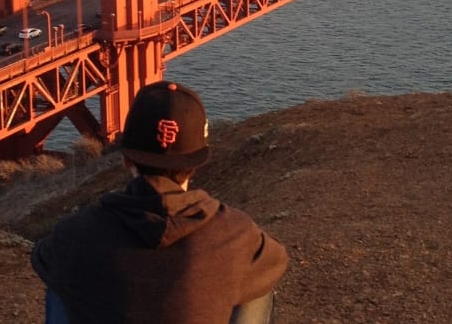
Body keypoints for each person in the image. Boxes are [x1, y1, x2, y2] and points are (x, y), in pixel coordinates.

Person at [32, 80, 288, 323]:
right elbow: (277, 259)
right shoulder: (235, 234)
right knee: (257, 282)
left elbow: (42, 258)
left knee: (62, 281)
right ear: (197, 164)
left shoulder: (78, 232)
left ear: (126, 159)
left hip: (80, 249)